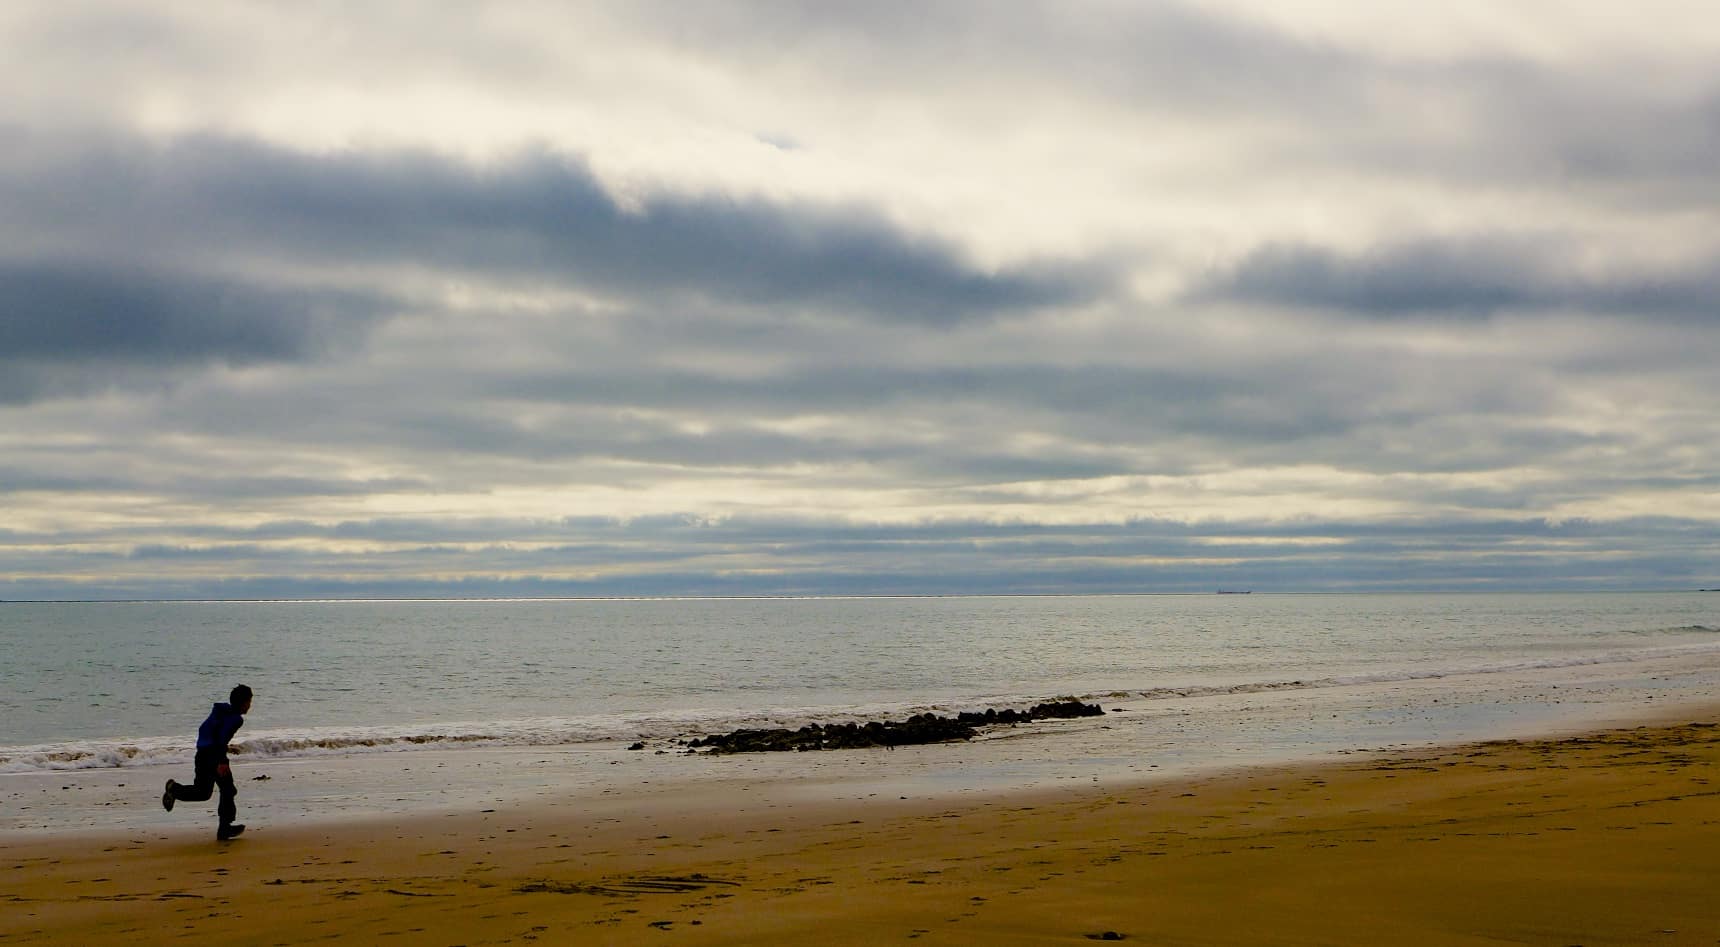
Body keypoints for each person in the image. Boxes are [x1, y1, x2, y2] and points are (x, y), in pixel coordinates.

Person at [162, 684, 253, 840]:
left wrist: (226, 748)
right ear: (243, 702)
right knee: (228, 790)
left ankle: (174, 789)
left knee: (202, 792)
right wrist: (222, 761)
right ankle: (225, 829)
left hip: (203, 754)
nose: (250, 705)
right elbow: (219, 739)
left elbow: (208, 732)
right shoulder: (236, 719)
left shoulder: (221, 711)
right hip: (214, 757)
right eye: (249, 701)